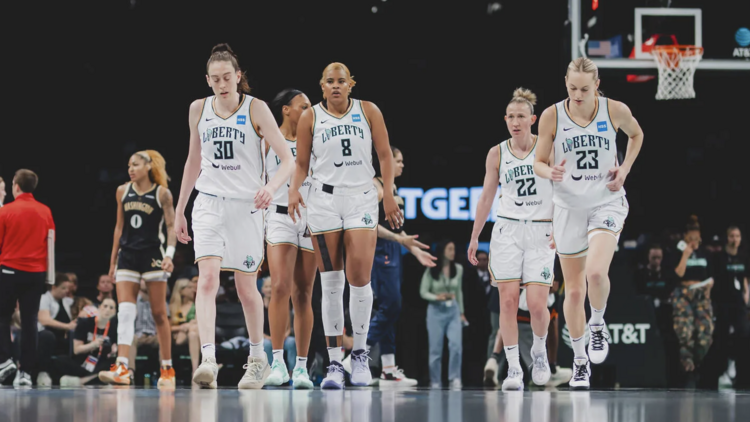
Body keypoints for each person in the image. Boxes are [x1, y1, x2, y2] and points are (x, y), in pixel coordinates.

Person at [174, 43, 294, 389]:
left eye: (228, 77)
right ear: (208, 80)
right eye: (215, 78)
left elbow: (287, 160)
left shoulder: (256, 108)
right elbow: (193, 161)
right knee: (208, 279)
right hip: (209, 202)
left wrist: (270, 188)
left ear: (239, 76)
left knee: (246, 287)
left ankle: (258, 359)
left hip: (247, 205)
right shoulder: (199, 108)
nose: (222, 83)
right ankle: (208, 359)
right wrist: (181, 208)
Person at [287, 62, 402, 389]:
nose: (335, 86)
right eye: (329, 81)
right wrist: (295, 191)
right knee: (332, 281)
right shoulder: (311, 117)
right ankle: (336, 362)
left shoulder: (368, 111)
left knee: (360, 278)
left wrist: (389, 195)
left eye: (341, 81)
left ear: (351, 84)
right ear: (321, 86)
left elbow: (384, 155)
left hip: (361, 197)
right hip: (323, 200)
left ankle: (361, 354)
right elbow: (301, 163)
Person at [534, 57, 644, 389]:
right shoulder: (553, 115)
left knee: (596, 272)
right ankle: (580, 363)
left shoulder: (615, 110)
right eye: (572, 88)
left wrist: (623, 170)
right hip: (568, 207)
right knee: (574, 289)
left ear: (596, 85)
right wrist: (548, 171)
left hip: (605, 202)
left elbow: (636, 135)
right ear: (565, 83)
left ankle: (597, 322)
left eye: (584, 88)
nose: (578, 95)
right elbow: (538, 160)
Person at [468, 87, 555, 390]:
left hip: (542, 228)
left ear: (533, 118)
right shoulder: (497, 152)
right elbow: (486, 196)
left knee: (535, 304)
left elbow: (563, 191)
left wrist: (562, 224)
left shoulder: (548, 148)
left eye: (521, 116)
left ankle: (540, 353)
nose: (516, 122)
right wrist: (475, 235)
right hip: (507, 229)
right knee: (507, 302)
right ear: (505, 119)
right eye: (511, 117)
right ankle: (514, 369)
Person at [346, 146, 435, 386]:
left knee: (389, 309)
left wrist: (413, 249)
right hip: (378, 250)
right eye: (398, 160)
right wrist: (396, 237)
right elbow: (366, 223)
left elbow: (397, 229)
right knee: (391, 306)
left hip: (393, 250)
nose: (402, 165)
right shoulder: (374, 187)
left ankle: (388, 368)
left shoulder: (391, 188)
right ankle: (354, 356)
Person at [98, 150, 177, 388]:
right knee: (125, 312)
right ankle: (122, 367)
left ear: (148, 167)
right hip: (128, 256)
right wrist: (112, 262)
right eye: (129, 165)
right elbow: (118, 228)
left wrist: (170, 255)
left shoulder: (162, 193)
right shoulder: (122, 191)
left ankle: (167, 369)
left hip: (153, 255)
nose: (130, 169)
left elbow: (172, 227)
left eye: (135, 165)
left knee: (158, 314)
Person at [262, 88, 317, 389]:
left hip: (309, 218)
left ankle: (302, 368)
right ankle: (278, 362)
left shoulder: (314, 141)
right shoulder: (268, 141)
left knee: (304, 293)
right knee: (280, 286)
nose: (309, 110)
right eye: (303, 105)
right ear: (286, 109)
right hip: (280, 215)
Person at [0, 169, 56, 387]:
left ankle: (4, 361)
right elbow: (50, 244)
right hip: (36, 274)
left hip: (9, 271)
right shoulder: (45, 211)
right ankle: (26, 372)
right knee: (30, 321)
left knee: (2, 317)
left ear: (15, 186)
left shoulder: (5, 212)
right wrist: (49, 278)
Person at [668, 218, 714, 386]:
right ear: (685, 237)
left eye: (696, 238)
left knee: (705, 333)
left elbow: (712, 275)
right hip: (683, 293)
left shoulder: (705, 253)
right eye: (690, 238)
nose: (694, 242)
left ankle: (700, 365)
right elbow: (678, 274)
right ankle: (687, 370)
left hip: (701, 293)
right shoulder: (677, 252)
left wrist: (709, 285)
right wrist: (686, 254)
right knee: (685, 332)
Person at [420, 240, 465, 389]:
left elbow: (459, 292)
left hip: (453, 310)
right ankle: (435, 380)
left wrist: (462, 312)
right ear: (442, 250)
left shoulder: (458, 269)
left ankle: (455, 378)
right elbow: (423, 291)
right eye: (450, 249)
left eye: (454, 249)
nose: (453, 252)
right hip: (435, 310)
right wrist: (436, 297)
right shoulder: (432, 269)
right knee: (435, 348)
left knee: (456, 346)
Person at [57, 298, 119, 387]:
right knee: (60, 360)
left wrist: (114, 350)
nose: (107, 310)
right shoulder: (85, 323)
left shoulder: (115, 327)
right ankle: (93, 380)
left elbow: (115, 348)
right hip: (82, 362)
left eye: (111, 307)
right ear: (99, 307)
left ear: (115, 312)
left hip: (101, 363)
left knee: (114, 364)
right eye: (105, 306)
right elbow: (76, 350)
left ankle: (82, 381)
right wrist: (93, 344)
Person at [36, 273, 76, 386]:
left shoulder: (66, 302)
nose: (66, 291)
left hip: (60, 340)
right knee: (48, 336)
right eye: (63, 288)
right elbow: (45, 320)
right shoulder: (44, 298)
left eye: (67, 288)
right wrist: (67, 326)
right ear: (54, 287)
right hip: (43, 338)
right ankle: (42, 372)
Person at [169, 277, 200, 374]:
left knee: (193, 333)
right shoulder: (172, 307)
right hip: (176, 336)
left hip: (192, 334)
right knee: (191, 330)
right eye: (189, 287)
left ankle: (195, 370)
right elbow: (166, 327)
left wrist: (190, 326)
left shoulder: (196, 305)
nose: (193, 289)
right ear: (181, 291)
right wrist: (181, 327)